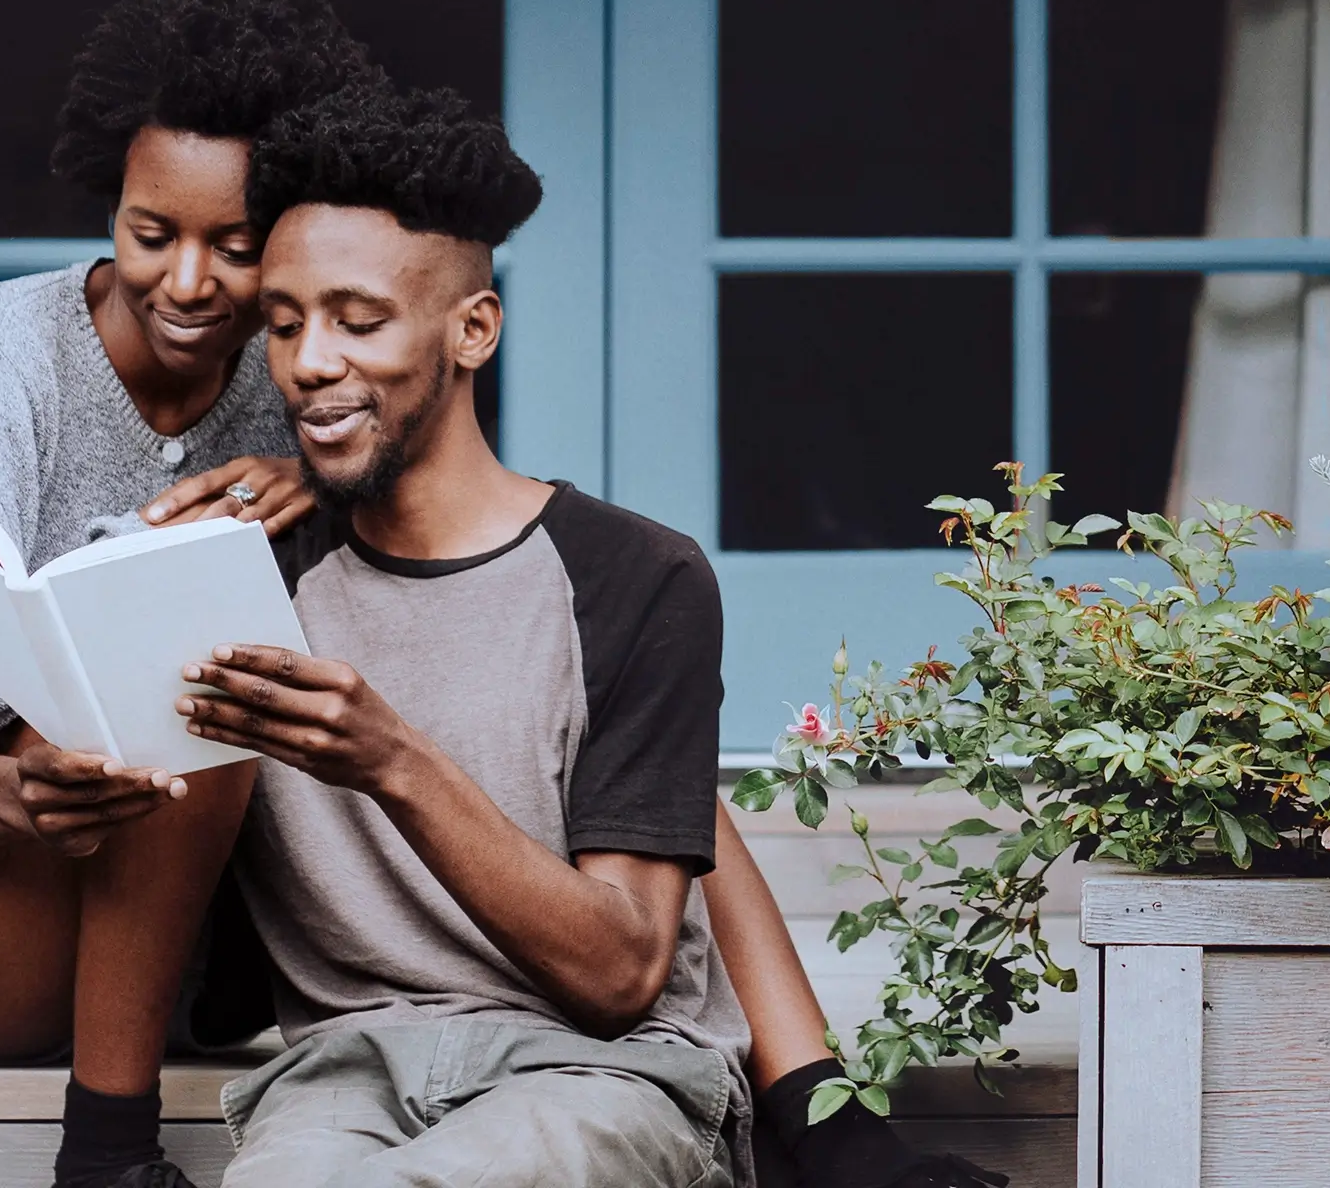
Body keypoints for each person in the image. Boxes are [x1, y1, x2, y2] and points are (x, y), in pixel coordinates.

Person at [164, 86, 1001, 1188]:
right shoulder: (245, 573)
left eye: (357, 320)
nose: (308, 361)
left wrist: (391, 759)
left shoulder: (633, 578)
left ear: (473, 328)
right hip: (342, 1075)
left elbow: (618, 972)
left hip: (603, 1075)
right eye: (281, 323)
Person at [0, 0, 362, 1188]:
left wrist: (326, 497)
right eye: (151, 234)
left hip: (175, 941)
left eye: (238, 247)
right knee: (190, 661)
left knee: (227, 677)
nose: (190, 283)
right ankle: (106, 1157)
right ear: (110, 200)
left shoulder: (289, 378)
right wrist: (156, 546)